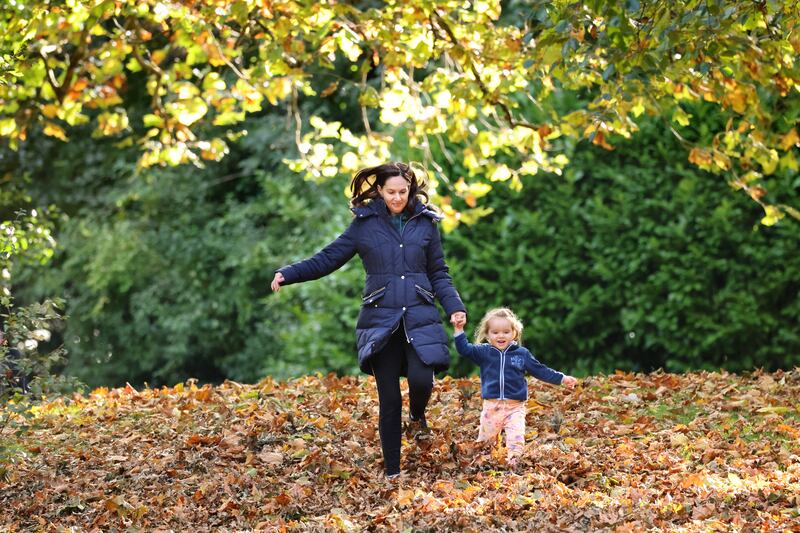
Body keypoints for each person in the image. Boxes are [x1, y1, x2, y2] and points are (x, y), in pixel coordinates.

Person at [271, 162, 467, 479]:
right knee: (389, 399)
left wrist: (454, 306)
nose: (398, 197)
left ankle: (417, 416)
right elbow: (328, 258)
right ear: (379, 190)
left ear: (411, 190)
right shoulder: (364, 225)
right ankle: (392, 472)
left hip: (419, 314)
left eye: (403, 191)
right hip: (380, 321)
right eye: (391, 192)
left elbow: (439, 273)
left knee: (421, 380)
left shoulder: (426, 224)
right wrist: (289, 273)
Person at [453, 307, 576, 466]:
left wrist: (562, 378)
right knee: (485, 442)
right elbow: (464, 349)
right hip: (492, 406)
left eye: (505, 331)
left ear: (514, 333)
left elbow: (540, 370)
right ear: (488, 335)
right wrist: (458, 329)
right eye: (495, 332)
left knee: (516, 437)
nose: (501, 336)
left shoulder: (521, 354)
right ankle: (483, 463)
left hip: (515, 407)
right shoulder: (484, 352)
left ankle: (514, 461)